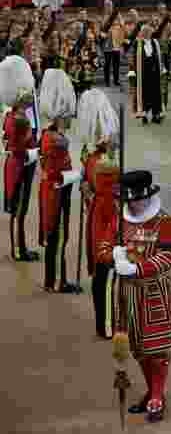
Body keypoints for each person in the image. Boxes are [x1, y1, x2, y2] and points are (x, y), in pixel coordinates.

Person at [96, 170, 171, 422]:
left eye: (134, 200)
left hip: (154, 295)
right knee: (137, 348)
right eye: (127, 201)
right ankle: (152, 391)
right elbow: (102, 246)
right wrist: (114, 255)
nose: (131, 205)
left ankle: (157, 395)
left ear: (146, 196)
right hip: (126, 295)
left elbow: (168, 258)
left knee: (157, 348)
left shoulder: (165, 223)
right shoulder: (119, 220)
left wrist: (137, 267)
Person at [76, 88, 120, 338]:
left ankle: (102, 322)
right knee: (106, 271)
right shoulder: (105, 163)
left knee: (101, 274)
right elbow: (110, 197)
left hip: (95, 214)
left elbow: (87, 188)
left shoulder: (89, 156)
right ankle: (106, 325)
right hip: (105, 217)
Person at [37, 68, 83, 293]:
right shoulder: (57, 140)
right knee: (59, 236)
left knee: (55, 236)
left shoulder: (49, 134)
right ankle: (56, 281)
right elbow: (58, 174)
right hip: (56, 191)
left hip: (51, 189)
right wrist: (79, 175)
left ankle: (52, 278)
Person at [1, 56, 41, 261]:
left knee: (18, 208)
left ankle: (20, 246)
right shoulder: (19, 119)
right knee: (19, 209)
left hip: (15, 164)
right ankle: (18, 249)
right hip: (19, 164)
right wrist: (36, 152)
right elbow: (19, 148)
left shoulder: (12, 115)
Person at [130, 23, 165, 124]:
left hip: (154, 72)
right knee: (144, 94)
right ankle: (144, 114)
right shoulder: (138, 43)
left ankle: (156, 115)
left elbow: (159, 57)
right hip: (143, 73)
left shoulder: (155, 42)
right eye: (145, 31)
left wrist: (161, 68)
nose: (147, 33)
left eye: (149, 31)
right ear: (142, 32)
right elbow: (135, 58)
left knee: (155, 94)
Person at [98, 0, 125, 87]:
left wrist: (116, 25)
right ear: (104, 7)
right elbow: (101, 28)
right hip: (107, 43)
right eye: (107, 5)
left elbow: (122, 25)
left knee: (116, 64)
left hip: (116, 42)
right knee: (107, 64)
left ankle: (116, 80)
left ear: (112, 6)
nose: (108, 7)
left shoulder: (117, 15)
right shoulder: (102, 16)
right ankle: (107, 81)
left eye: (110, 5)